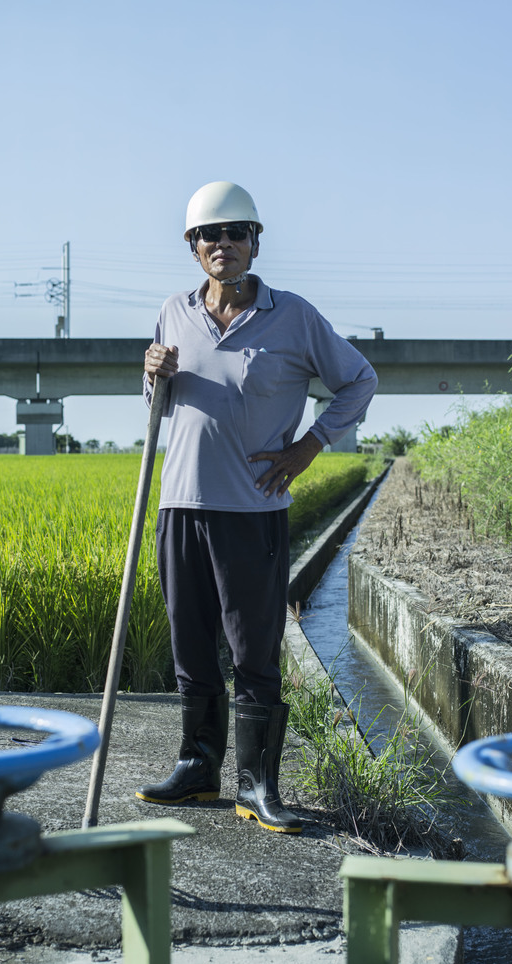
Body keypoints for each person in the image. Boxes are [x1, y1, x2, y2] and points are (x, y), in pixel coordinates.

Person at [136, 181, 377, 834]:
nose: (224, 244)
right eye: (210, 235)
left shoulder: (293, 315)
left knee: (254, 652)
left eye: (236, 233)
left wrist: (309, 446)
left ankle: (258, 786)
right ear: (193, 247)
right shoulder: (172, 311)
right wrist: (151, 371)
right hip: (180, 507)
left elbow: (359, 380)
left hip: (252, 511)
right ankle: (196, 767)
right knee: (191, 646)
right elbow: (158, 404)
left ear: (254, 242)